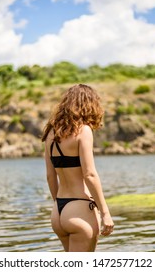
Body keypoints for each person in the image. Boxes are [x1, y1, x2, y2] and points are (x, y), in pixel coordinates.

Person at [41, 84, 114, 252]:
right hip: (79, 209)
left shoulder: (51, 134)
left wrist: (59, 207)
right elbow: (89, 174)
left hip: (58, 212)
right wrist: (105, 213)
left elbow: (50, 177)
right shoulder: (84, 131)